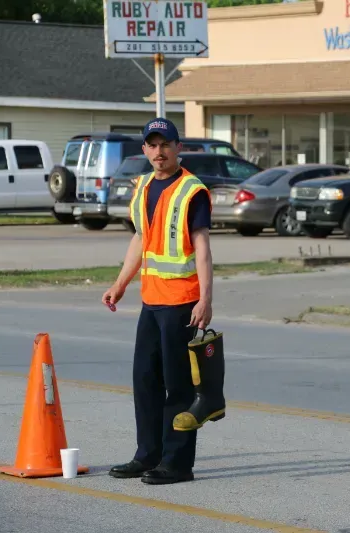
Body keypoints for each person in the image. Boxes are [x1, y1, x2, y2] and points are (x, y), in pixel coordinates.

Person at [102, 117, 214, 485]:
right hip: (151, 301)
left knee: (178, 386)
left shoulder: (191, 190)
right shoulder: (144, 187)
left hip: (182, 301)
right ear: (145, 150)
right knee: (145, 380)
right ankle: (146, 455)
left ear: (178, 148)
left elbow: (202, 248)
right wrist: (120, 284)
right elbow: (140, 240)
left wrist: (206, 299)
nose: (159, 151)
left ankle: (177, 463)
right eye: (152, 145)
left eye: (165, 144)